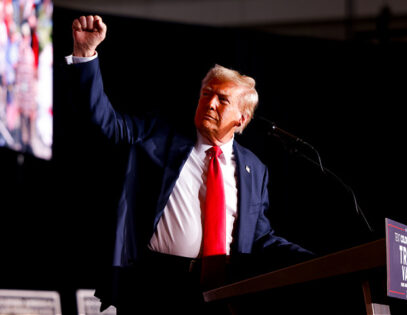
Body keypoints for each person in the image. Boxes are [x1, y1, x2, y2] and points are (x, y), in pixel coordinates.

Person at [66, 15, 314, 315]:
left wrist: (318, 260)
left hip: (222, 292)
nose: (209, 103)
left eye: (222, 100)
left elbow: (259, 237)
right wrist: (85, 55)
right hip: (156, 286)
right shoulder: (158, 135)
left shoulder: (254, 169)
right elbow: (104, 122)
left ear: (241, 119)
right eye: (206, 94)